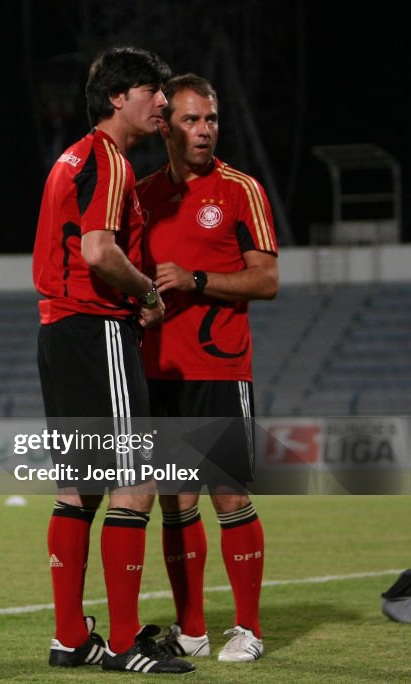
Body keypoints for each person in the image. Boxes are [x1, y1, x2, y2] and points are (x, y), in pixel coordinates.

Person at [33, 46, 195, 675]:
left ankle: (71, 637)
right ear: (117, 98)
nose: (163, 101)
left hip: (59, 331)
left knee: (77, 489)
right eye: (152, 90)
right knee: (136, 484)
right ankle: (126, 643)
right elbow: (100, 252)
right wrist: (148, 293)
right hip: (96, 328)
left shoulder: (70, 157)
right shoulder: (108, 160)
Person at [136, 73, 279, 663]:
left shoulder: (241, 189)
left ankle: (249, 628)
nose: (203, 131)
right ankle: (192, 629)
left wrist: (197, 281)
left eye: (211, 119)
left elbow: (267, 279)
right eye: (191, 120)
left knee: (226, 493)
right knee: (175, 500)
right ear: (165, 126)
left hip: (220, 368)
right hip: (158, 371)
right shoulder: (142, 195)